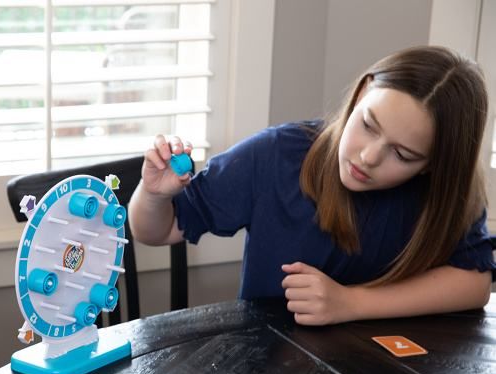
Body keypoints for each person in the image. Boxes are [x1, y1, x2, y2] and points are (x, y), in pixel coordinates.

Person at [129, 45, 495, 326]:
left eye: (402, 154)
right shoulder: (274, 155)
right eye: (368, 125)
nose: (368, 157)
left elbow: (474, 284)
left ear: (433, 166)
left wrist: (351, 303)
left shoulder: (448, 192)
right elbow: (158, 230)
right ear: (363, 92)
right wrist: (154, 195)